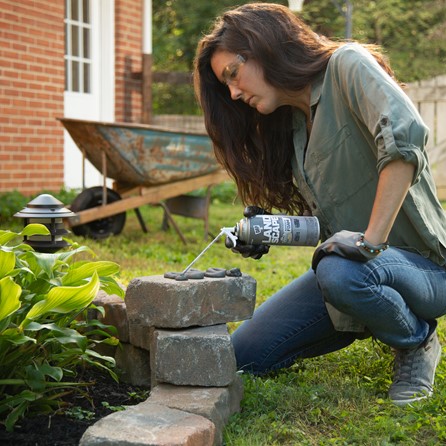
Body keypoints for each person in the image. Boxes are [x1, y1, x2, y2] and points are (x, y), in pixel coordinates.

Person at [193, 2, 446, 405]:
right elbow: (333, 223)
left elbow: (405, 138)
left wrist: (370, 243)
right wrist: (268, 229)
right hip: (351, 272)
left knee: (341, 273)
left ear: (263, 46)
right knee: (242, 356)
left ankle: (417, 343)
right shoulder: (294, 126)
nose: (234, 92)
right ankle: (364, 306)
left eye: (232, 74)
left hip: (424, 269)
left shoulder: (347, 65)